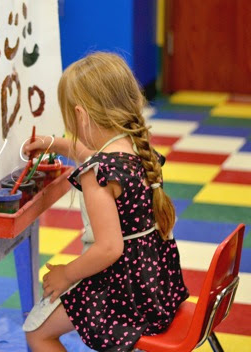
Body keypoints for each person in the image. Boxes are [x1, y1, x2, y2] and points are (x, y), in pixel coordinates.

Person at [21, 52, 189, 351]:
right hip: (153, 282)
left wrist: (65, 274)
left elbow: (109, 248)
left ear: (80, 115)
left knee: (37, 332)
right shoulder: (136, 147)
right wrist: (55, 144)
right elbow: (94, 156)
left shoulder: (96, 174)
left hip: (122, 290)